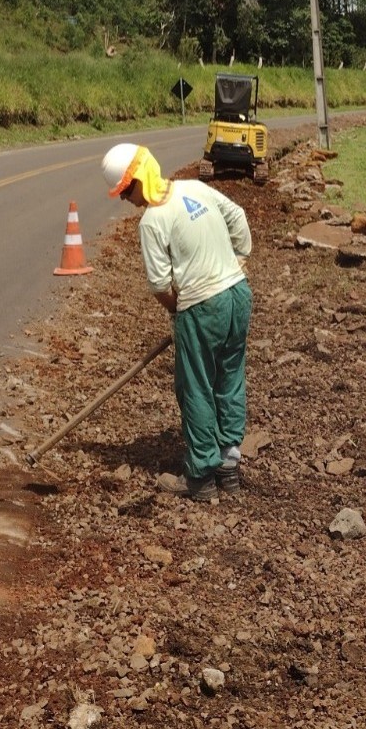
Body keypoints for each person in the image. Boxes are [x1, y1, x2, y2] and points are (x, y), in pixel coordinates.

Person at [101, 143, 253, 501]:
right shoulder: (195, 188)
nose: (125, 199)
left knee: (195, 387)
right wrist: (239, 260)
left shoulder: (153, 221)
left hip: (203, 305)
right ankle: (229, 466)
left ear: (140, 178)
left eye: (126, 189)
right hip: (237, 295)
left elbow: (159, 286)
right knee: (229, 377)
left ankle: (200, 477)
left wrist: (177, 312)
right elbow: (239, 218)